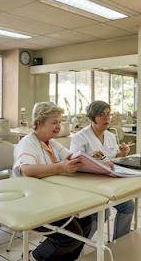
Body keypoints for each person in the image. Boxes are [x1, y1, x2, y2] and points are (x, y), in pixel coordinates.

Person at [12, 101, 92, 261]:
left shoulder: (52, 143)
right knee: (72, 235)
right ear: (39, 123)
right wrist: (61, 167)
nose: (58, 126)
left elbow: (72, 158)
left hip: (50, 198)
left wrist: (94, 161)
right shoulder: (28, 142)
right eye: (54, 122)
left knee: (87, 219)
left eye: (59, 122)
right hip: (30, 202)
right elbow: (27, 170)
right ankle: (33, 258)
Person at [70, 100, 134, 240]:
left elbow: (113, 158)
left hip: (109, 182)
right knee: (102, 212)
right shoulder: (80, 137)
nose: (107, 118)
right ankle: (78, 244)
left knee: (129, 205)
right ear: (92, 117)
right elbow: (73, 163)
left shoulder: (110, 136)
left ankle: (121, 242)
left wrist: (121, 154)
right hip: (88, 185)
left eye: (108, 114)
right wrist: (89, 158)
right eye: (102, 115)